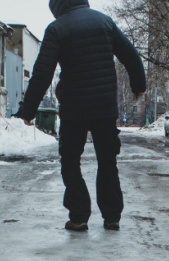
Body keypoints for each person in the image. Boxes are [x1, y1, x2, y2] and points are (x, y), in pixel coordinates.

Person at [21, 0, 146, 232]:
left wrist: (28, 111)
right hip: (104, 106)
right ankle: (111, 217)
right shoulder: (104, 21)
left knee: (70, 161)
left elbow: (42, 72)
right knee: (107, 161)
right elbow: (130, 55)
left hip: (74, 107)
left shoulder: (57, 28)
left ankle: (79, 216)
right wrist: (138, 85)